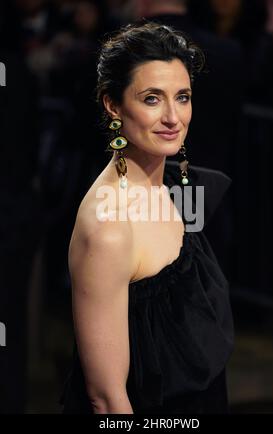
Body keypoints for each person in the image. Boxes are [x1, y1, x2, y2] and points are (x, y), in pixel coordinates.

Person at [60, 21, 234, 414]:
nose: (174, 117)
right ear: (113, 105)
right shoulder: (109, 230)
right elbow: (106, 400)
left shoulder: (175, 185)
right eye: (152, 99)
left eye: (183, 97)